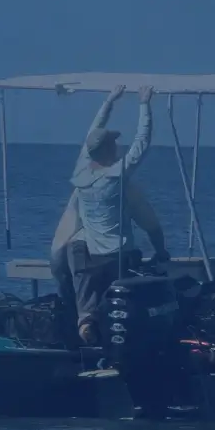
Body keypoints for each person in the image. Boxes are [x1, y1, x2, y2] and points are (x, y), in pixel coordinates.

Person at [61, 91, 157, 352]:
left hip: (92, 255)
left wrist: (109, 102)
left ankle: (85, 321)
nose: (117, 147)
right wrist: (144, 104)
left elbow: (92, 132)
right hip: (119, 256)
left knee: (78, 255)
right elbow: (142, 142)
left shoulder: (82, 174)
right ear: (107, 150)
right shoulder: (115, 176)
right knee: (126, 306)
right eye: (113, 144)